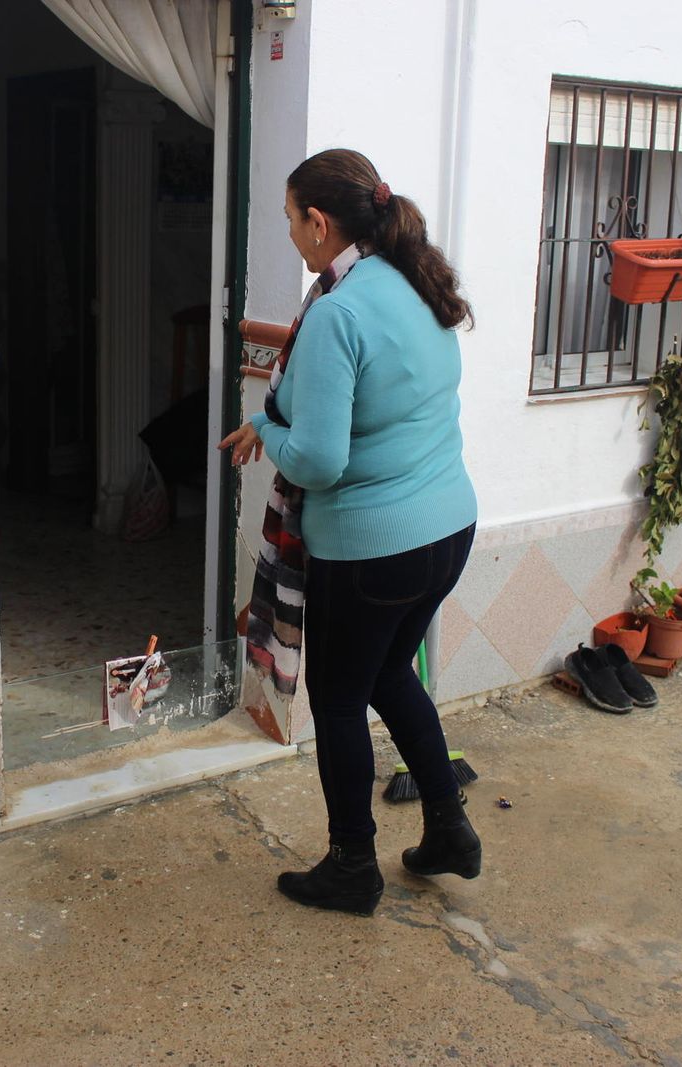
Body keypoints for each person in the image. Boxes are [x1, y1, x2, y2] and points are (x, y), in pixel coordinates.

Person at [218, 148, 480, 916]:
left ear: (319, 222)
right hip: (448, 528)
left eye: (292, 219)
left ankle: (351, 866)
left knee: (337, 699)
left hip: (374, 547)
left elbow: (323, 461)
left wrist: (266, 424)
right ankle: (449, 831)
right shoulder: (411, 281)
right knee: (392, 674)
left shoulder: (337, 311)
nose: (292, 234)